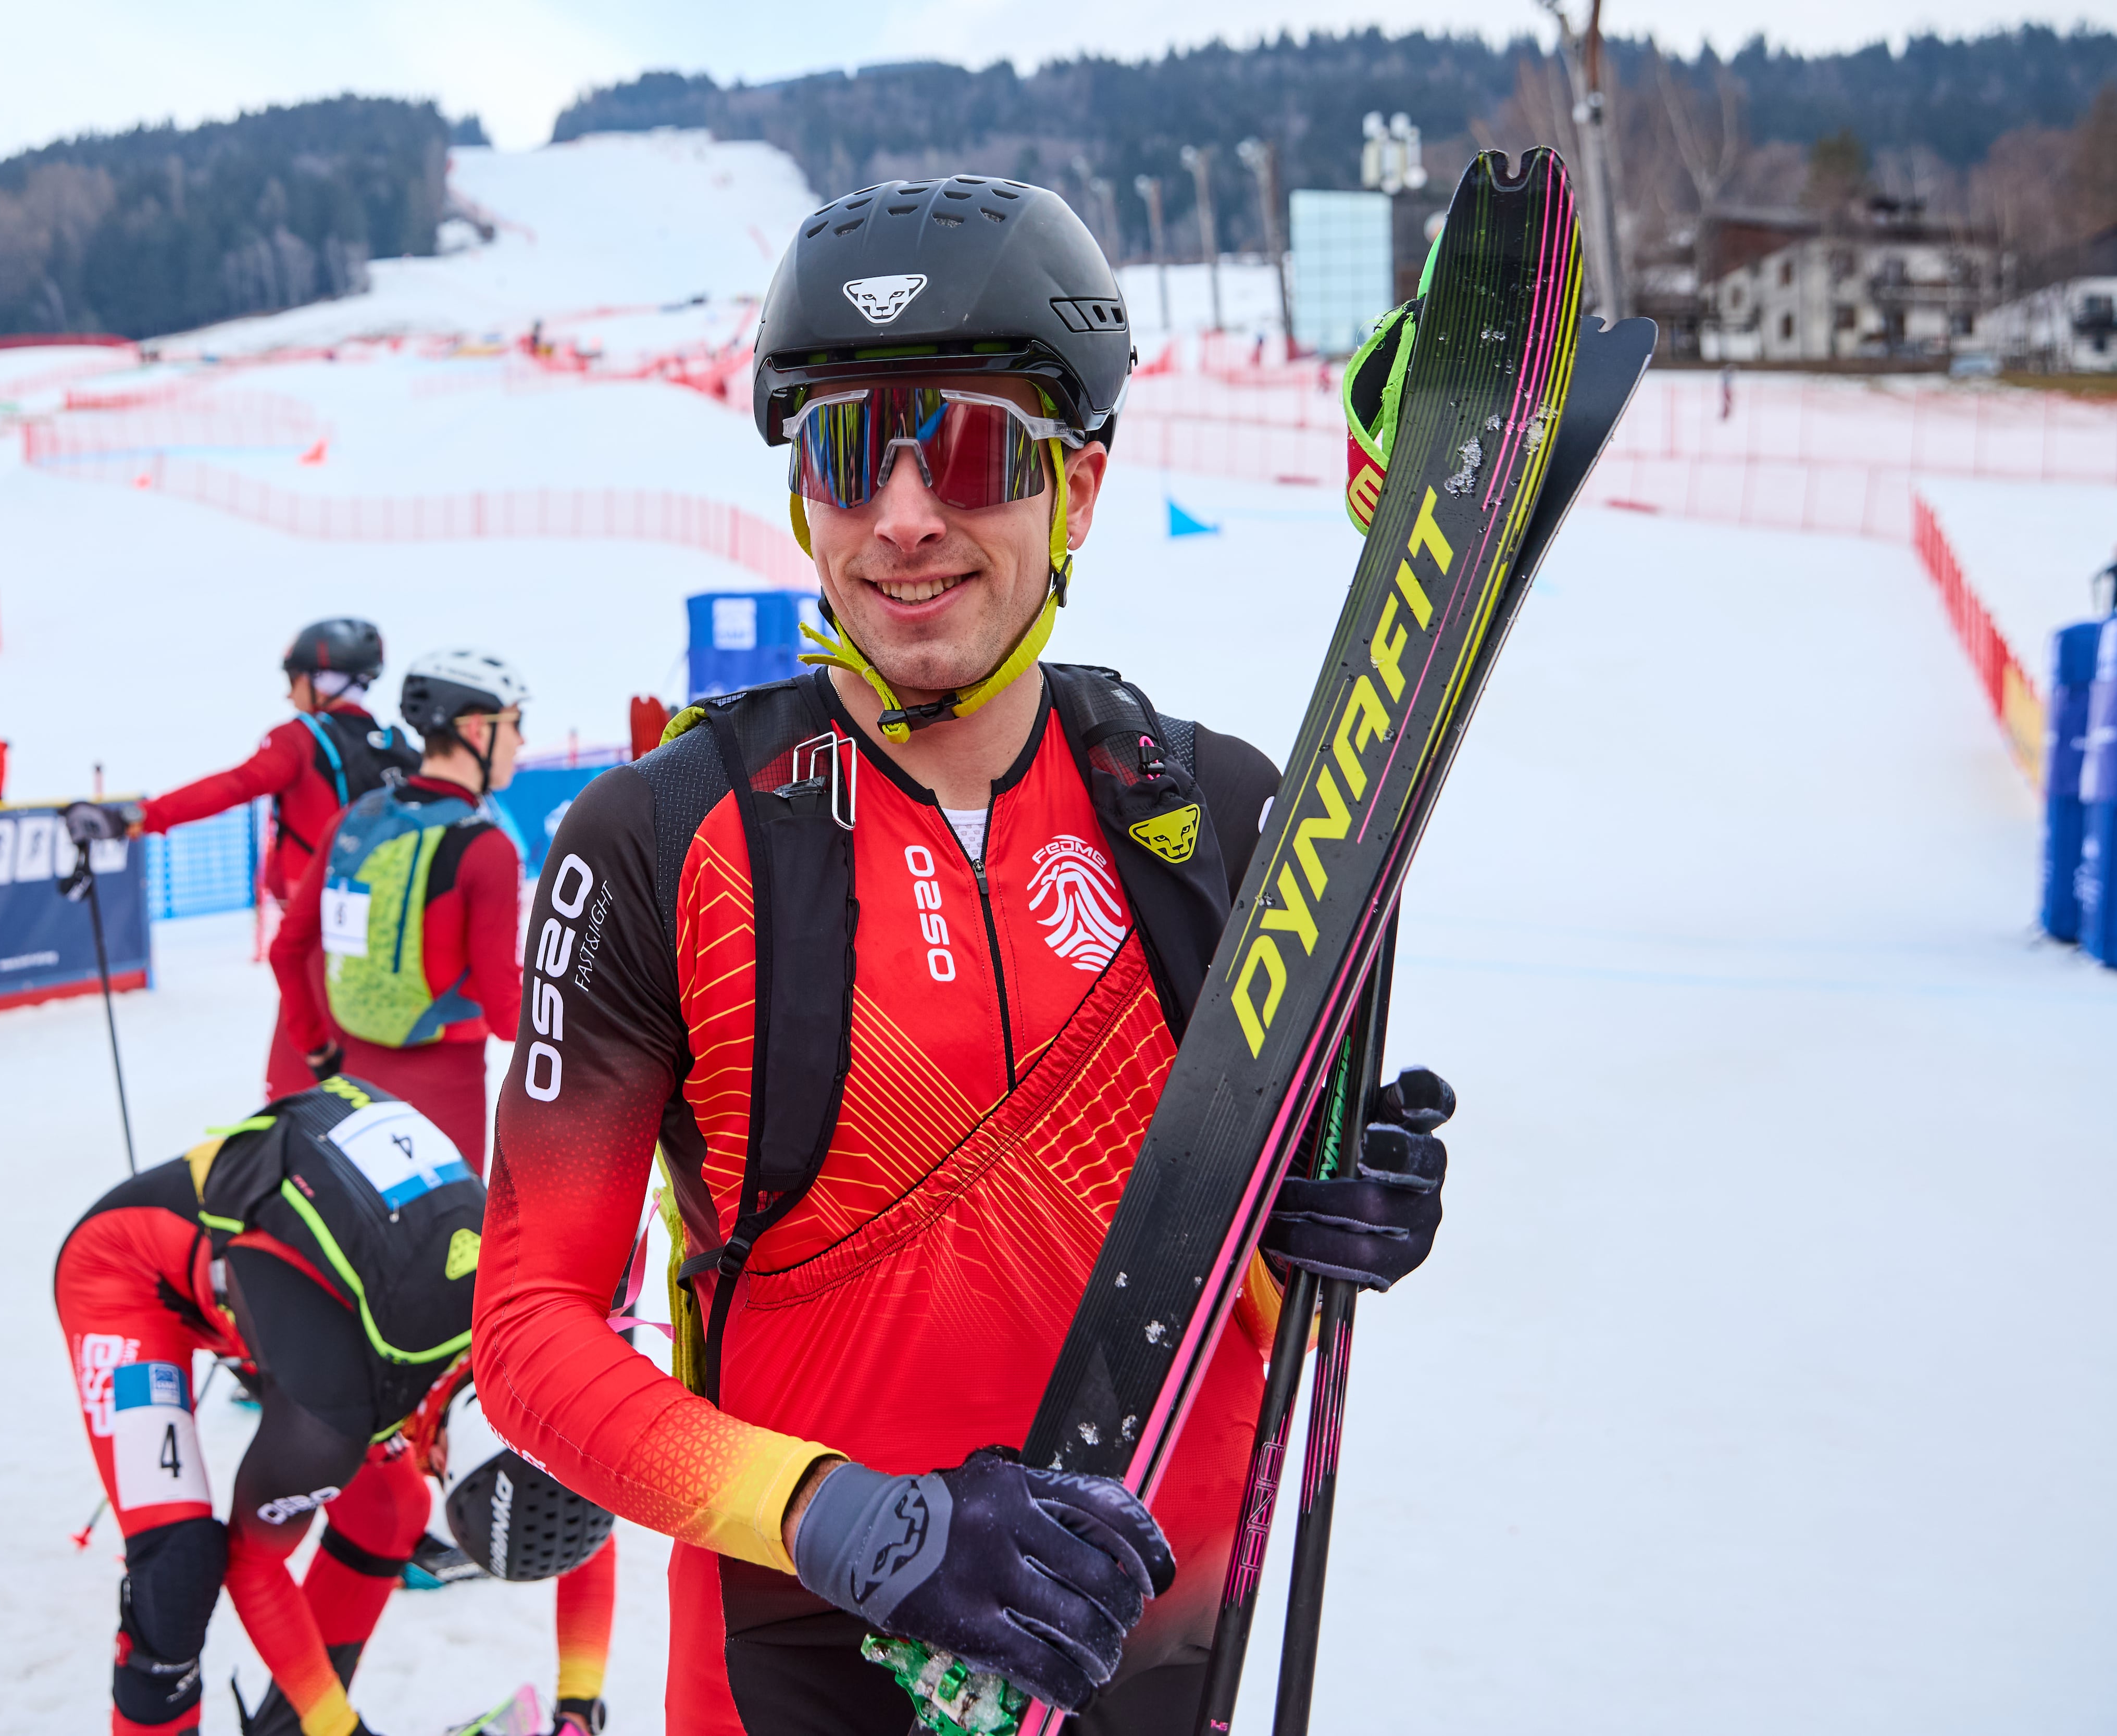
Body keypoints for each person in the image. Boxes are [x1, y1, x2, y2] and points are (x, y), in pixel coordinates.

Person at [470, 177, 1459, 1732]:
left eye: (978, 449)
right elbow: (528, 1337)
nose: (905, 514)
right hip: (796, 1672)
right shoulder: (654, 844)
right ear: (801, 493)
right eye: (848, 452)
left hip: (1151, 1651)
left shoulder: (1213, 812)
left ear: (1079, 483)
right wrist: (844, 1518)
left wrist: (1330, 1219)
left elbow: (1237, 1281)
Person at [54, 1076, 618, 1736]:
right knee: (177, 1570)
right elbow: (254, 1562)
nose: (426, 1468)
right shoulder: (331, 1421)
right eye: (436, 1469)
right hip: (128, 1274)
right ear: (443, 1451)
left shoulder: (539, 1362)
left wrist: (578, 1710)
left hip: (288, 1289)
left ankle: (292, 1727)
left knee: (389, 1507)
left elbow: (575, 1509)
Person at [126, 620, 421, 1097]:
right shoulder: (394, 743)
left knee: (300, 1092)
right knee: (375, 1081)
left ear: (321, 680)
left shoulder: (300, 738)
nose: (290, 696)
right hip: (388, 938)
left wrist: (144, 817)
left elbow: (237, 785)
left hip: (318, 941)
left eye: (294, 681)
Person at [266, 649, 529, 1172]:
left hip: (351, 1080)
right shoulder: (487, 848)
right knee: (444, 1246)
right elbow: (506, 1014)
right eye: (515, 724)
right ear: (477, 729)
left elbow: (287, 949)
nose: (521, 741)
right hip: (445, 1094)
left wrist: (315, 1048)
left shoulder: (354, 818)